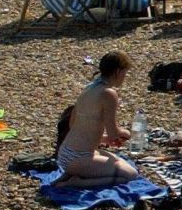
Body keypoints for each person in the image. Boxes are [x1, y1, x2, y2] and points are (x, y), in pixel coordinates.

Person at [56, 51, 141, 186]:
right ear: (118, 71)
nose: (125, 77)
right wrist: (126, 133)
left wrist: (103, 139)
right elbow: (114, 132)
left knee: (119, 163)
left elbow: (73, 125)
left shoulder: (89, 88)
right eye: (125, 73)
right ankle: (76, 182)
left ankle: (72, 173)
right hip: (79, 157)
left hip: (65, 153)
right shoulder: (108, 94)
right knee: (131, 175)